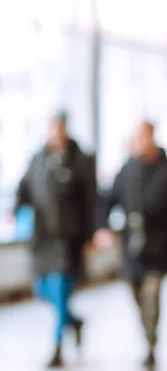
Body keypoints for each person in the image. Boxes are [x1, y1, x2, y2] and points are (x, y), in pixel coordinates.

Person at [93, 121, 167, 369]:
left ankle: (151, 345)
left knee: (152, 294)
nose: (139, 142)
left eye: (143, 137)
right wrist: (102, 228)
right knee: (136, 293)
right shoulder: (127, 170)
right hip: (131, 248)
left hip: (158, 246)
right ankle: (147, 332)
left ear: (152, 137)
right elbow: (108, 201)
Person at [14, 112, 95, 368]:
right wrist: (15, 209)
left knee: (60, 289)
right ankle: (73, 321)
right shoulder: (38, 159)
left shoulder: (78, 160)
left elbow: (90, 199)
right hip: (42, 237)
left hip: (66, 239)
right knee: (42, 289)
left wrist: (90, 235)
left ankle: (58, 346)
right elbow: (24, 187)